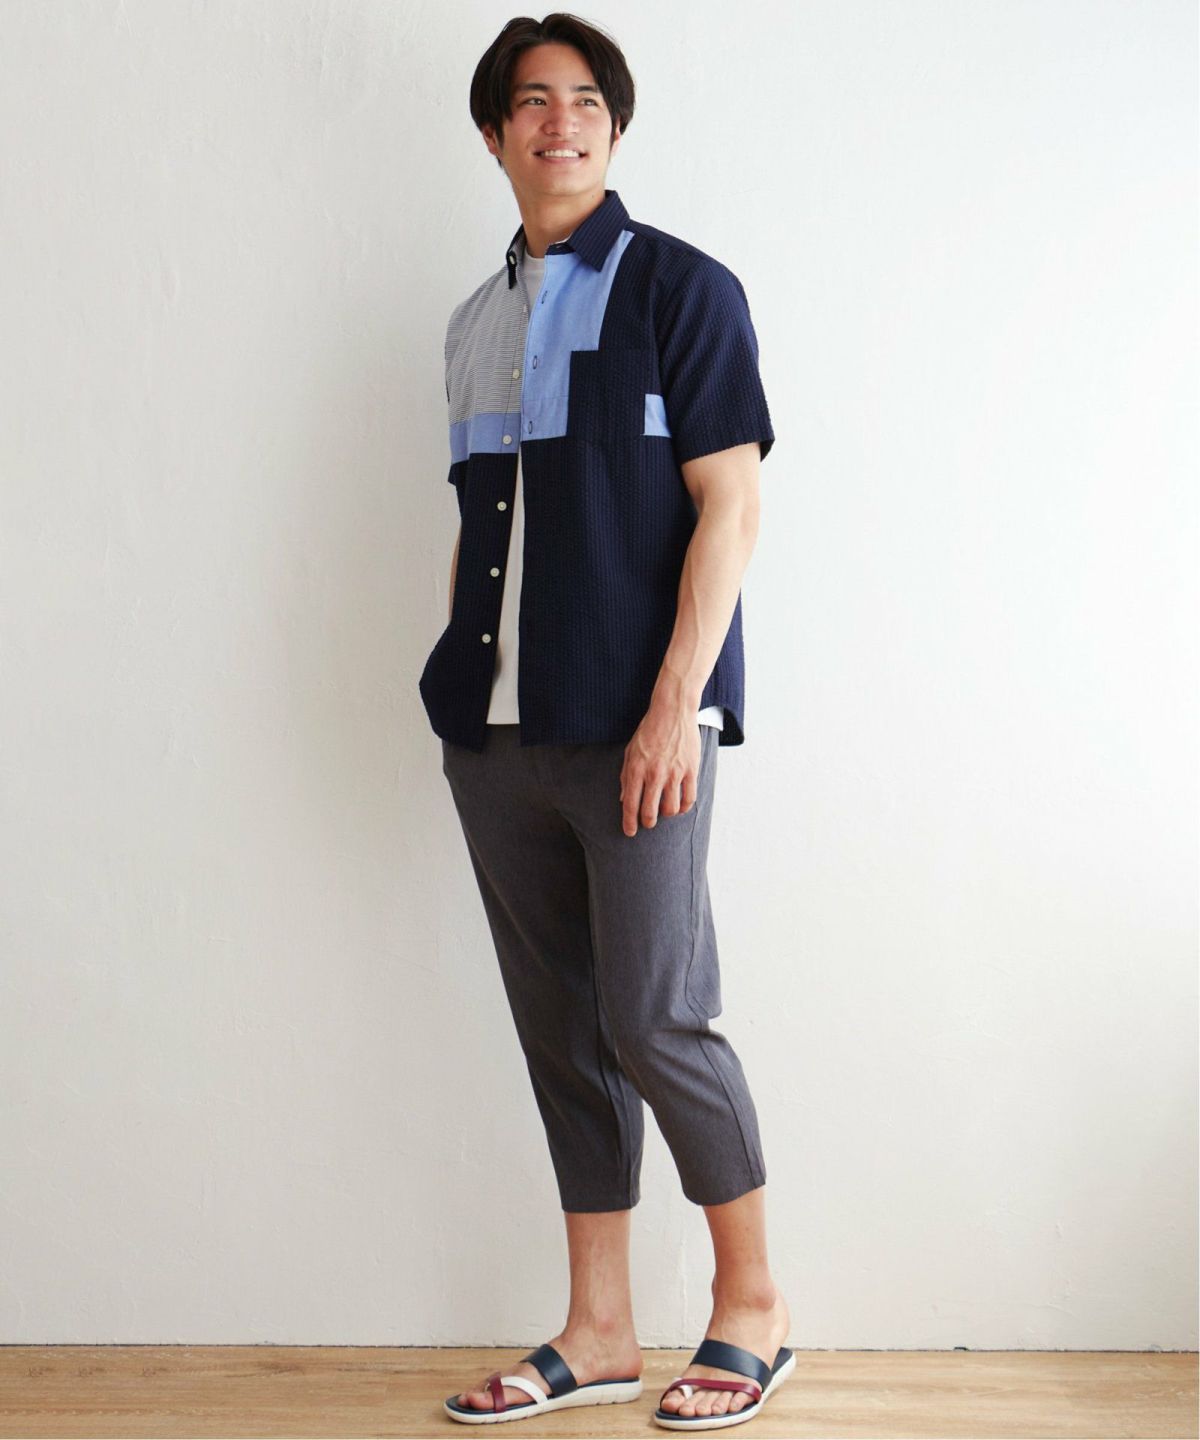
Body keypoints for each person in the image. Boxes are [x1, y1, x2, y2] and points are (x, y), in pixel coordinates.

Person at [421, 13, 793, 1431]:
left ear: (615, 129)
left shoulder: (683, 289)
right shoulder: (473, 323)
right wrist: (461, 700)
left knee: (655, 1019)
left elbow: (730, 507)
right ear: (496, 132)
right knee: (563, 1035)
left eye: (586, 100)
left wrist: (675, 708)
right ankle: (600, 1330)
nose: (560, 122)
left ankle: (753, 1307)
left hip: (640, 725)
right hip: (496, 740)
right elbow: (483, 527)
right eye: (532, 101)